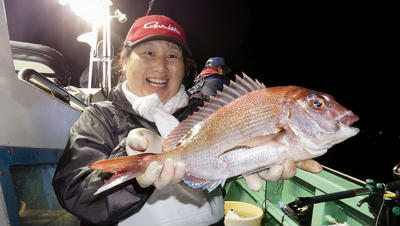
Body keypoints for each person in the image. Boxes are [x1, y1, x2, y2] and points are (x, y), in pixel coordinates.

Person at [52, 14, 322, 226]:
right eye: (148, 53)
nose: (160, 66)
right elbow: (75, 195)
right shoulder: (101, 116)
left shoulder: (205, 110)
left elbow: (221, 160)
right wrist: (136, 175)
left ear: (184, 65)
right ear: (124, 60)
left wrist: (257, 162)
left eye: (172, 55)